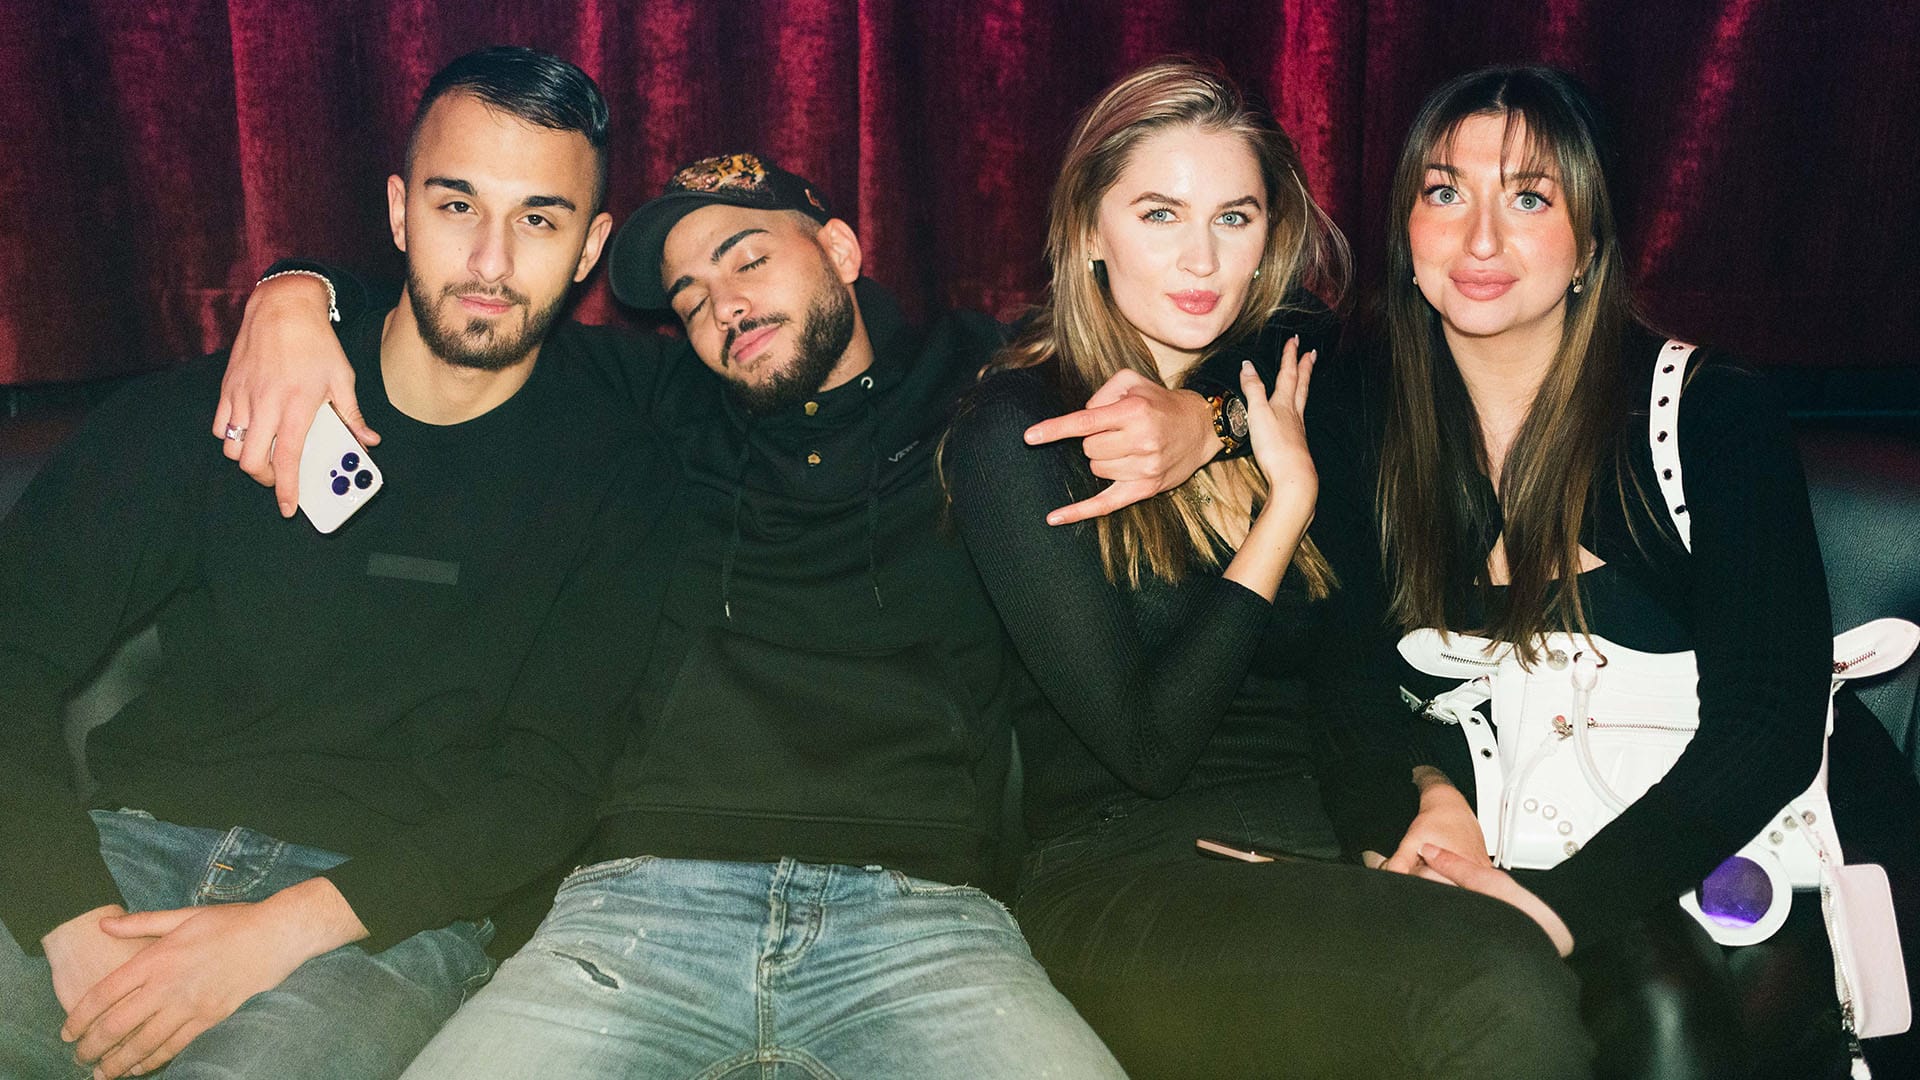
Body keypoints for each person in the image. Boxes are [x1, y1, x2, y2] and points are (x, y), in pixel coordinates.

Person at [212, 141, 1264, 1073]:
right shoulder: (662, 403)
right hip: (635, 913)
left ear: (841, 250)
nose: (723, 305)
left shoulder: (985, 380)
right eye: (689, 295)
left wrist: (1212, 420)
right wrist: (295, 292)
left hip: (926, 921)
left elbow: (1284, 321)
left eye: (749, 259)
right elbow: (472, 310)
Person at [0, 46, 678, 1080]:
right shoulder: (223, 404)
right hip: (117, 860)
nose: (491, 261)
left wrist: (274, 933)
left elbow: (553, 783)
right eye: (458, 206)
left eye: (538, 219)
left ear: (590, 247)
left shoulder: (616, 474)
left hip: (377, 922)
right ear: (400, 213)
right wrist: (64, 911)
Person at [941, 60, 1591, 1080]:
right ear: (1088, 231)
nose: (1202, 258)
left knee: (1550, 956)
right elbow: (1148, 747)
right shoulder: (1020, 431)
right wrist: (1282, 512)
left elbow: (1359, 665)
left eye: (1234, 218)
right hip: (1130, 880)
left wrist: (1422, 791)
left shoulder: (1287, 395)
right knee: (1493, 984)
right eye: (1160, 214)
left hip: (1321, 852)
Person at [1370, 65, 1920, 1079]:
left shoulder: (1710, 412)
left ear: (1590, 243)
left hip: (1762, 880)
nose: (1479, 240)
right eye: (1445, 192)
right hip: (1521, 861)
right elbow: (1349, 684)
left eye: (1529, 198)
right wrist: (1429, 786)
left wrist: (1553, 911)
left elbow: (1769, 722)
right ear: (1406, 231)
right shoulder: (1377, 429)